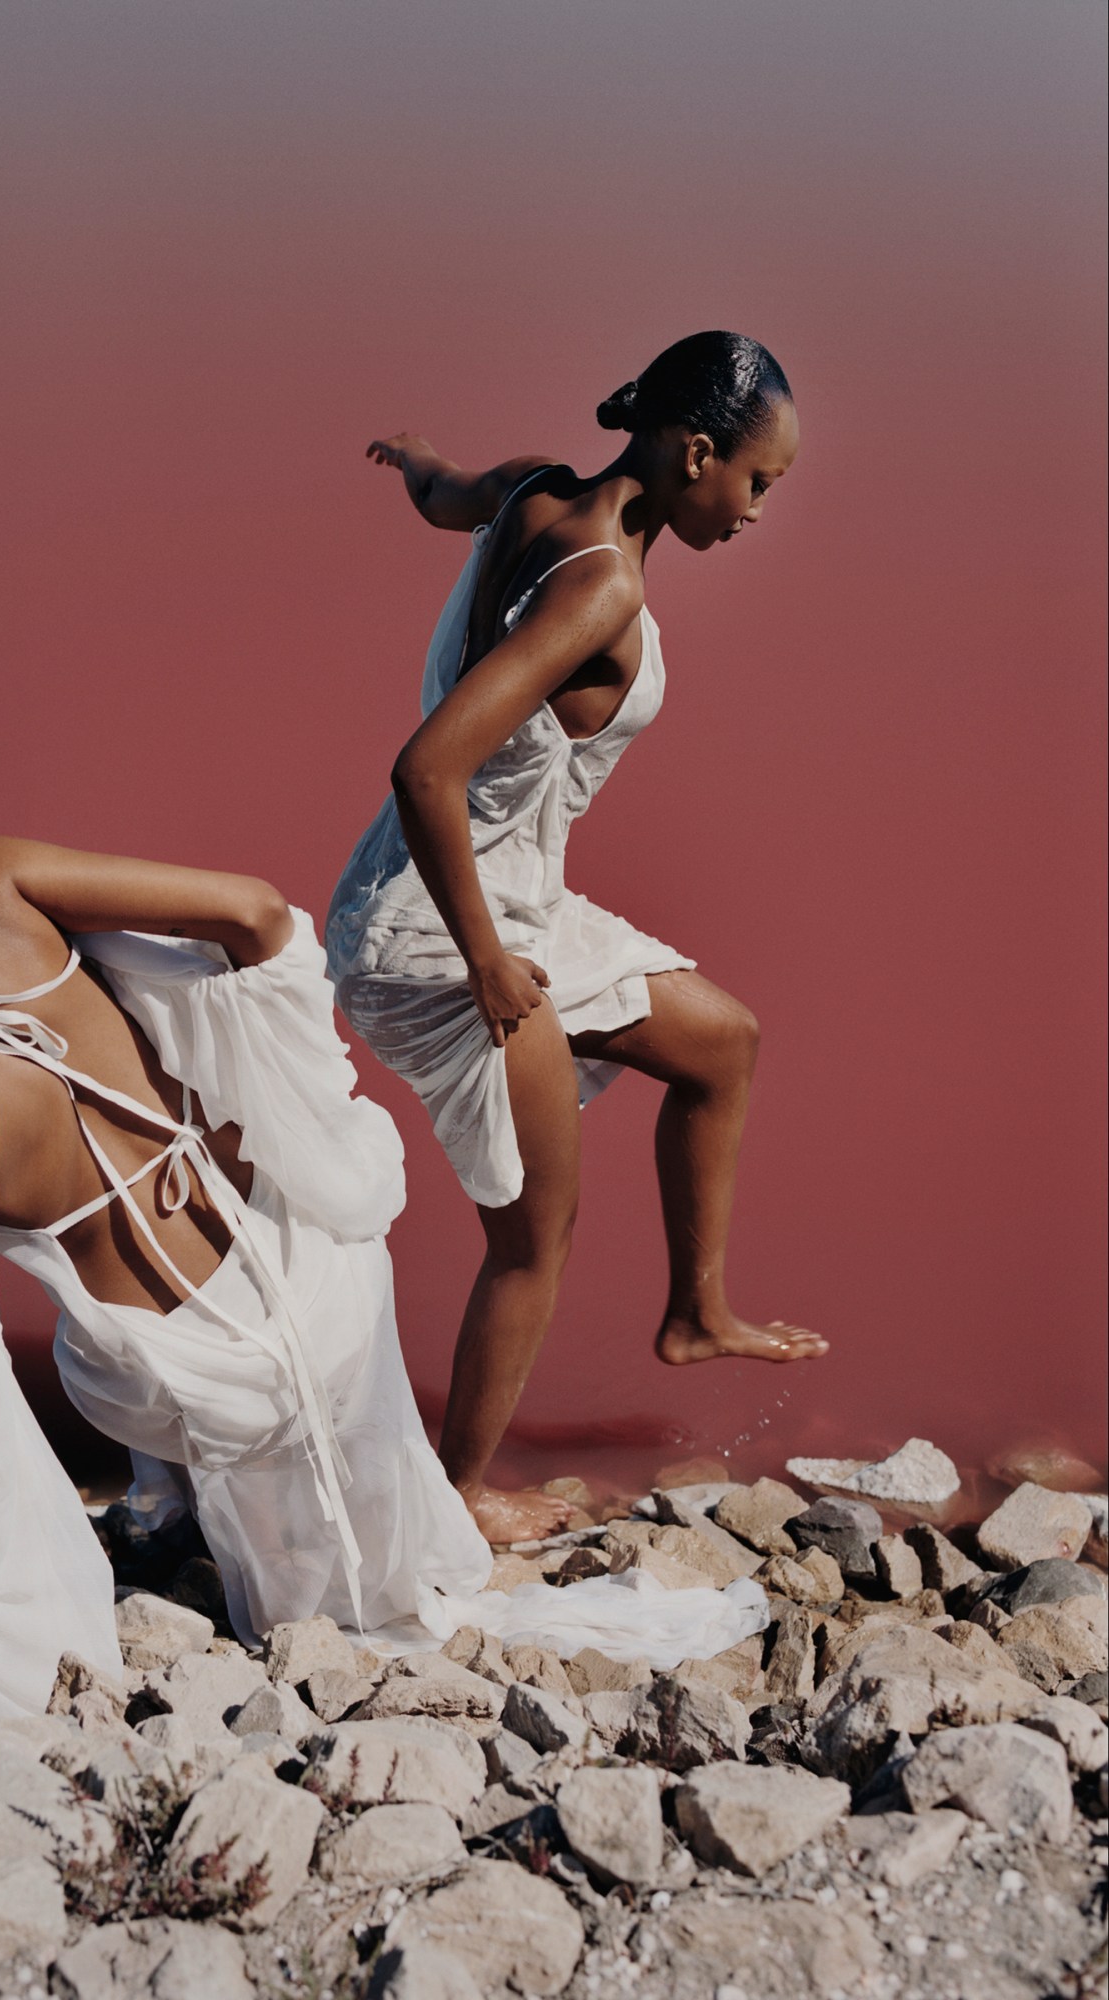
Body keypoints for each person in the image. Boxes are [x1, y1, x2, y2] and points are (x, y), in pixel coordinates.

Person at [0, 793, 766, 1719]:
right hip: (321, 1253)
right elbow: (256, 914)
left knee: (90, 1367)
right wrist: (279, 1101)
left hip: (231, 1382)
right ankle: (247, 1505)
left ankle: (192, 1504)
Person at [326, 331, 827, 1548]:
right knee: (533, 1238)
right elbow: (426, 769)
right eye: (757, 482)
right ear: (695, 453)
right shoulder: (601, 588)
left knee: (722, 1044)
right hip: (448, 935)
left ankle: (694, 1312)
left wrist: (418, 457)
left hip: (505, 900)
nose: (757, 512)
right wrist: (488, 962)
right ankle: (453, 1497)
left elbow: (446, 493)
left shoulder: (532, 487)